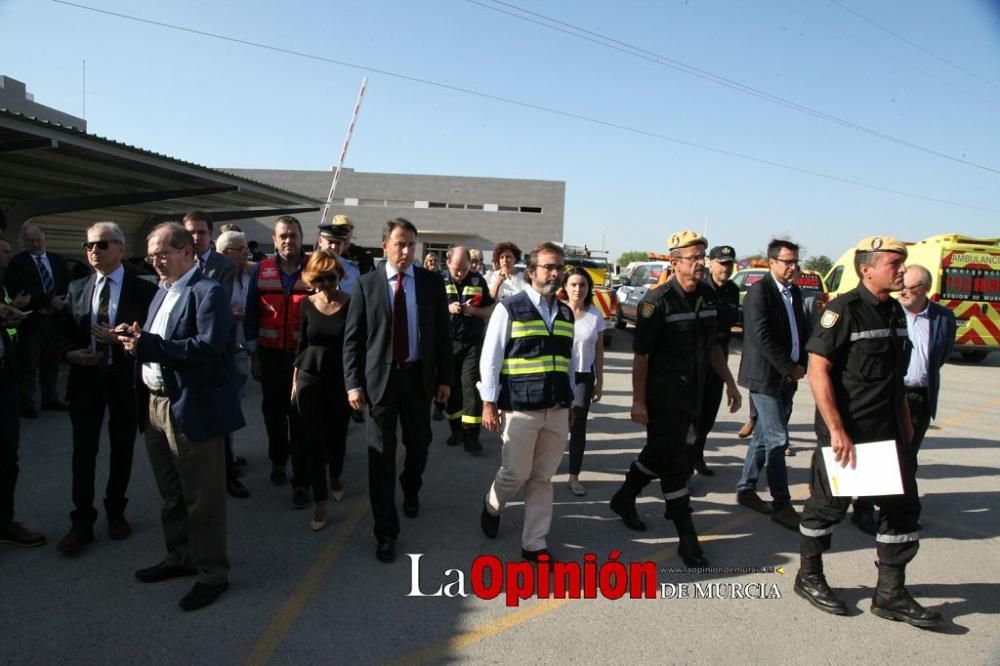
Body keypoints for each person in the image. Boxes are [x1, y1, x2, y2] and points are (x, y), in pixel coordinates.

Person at [795, 236, 942, 627]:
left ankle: (890, 594)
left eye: (903, 263)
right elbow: (817, 370)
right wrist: (837, 429)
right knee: (827, 510)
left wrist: (906, 422)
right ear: (867, 269)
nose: (902, 270)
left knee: (902, 509)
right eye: (894, 263)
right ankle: (809, 576)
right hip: (848, 434)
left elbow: (894, 377)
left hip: (888, 432)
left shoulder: (894, 312)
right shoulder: (843, 311)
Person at [119, 222, 244, 612]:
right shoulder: (163, 292)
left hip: (190, 407)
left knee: (201, 496)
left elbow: (207, 347)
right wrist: (133, 342)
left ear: (187, 252)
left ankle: (212, 574)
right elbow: (159, 342)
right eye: (150, 255)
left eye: (162, 253)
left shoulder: (208, 292)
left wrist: (150, 345)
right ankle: (180, 556)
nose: (155, 261)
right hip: (156, 404)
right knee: (171, 492)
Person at [608, 231, 740, 568]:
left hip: (695, 394)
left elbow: (713, 347)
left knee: (660, 455)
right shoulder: (656, 301)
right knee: (677, 463)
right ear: (674, 262)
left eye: (702, 257)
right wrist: (638, 401)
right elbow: (641, 356)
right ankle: (687, 537)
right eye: (693, 258)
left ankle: (624, 497)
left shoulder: (708, 298)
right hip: (663, 397)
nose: (699, 263)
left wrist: (730, 383)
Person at [343, 218, 452, 563]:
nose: (406, 250)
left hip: (418, 379)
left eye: (411, 244)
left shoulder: (431, 283)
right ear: (385, 246)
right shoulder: (366, 285)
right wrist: (353, 383)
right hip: (380, 383)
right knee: (380, 456)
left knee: (419, 445)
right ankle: (386, 531)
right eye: (400, 243)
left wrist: (445, 379)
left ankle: (411, 484)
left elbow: (442, 337)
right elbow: (353, 340)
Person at [55, 222, 157, 555]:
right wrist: (70, 352)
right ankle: (81, 520)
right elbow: (63, 333)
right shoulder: (78, 287)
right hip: (85, 381)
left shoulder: (143, 290)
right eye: (88, 246)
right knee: (83, 452)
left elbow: (155, 336)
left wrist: (123, 340)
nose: (93, 252)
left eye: (101, 245)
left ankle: (116, 511)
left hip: (123, 380)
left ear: (121, 249)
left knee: (121, 447)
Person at [478, 242, 575, 561]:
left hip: (557, 408)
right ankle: (493, 503)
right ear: (531, 272)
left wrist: (570, 402)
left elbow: (568, 362)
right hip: (520, 408)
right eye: (549, 267)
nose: (555, 272)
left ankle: (535, 543)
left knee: (542, 478)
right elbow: (491, 357)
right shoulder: (510, 307)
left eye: (559, 267)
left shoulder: (565, 312)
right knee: (516, 473)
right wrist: (489, 402)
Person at [733, 240, 808, 531]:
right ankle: (781, 503)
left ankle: (746, 488)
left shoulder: (795, 293)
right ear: (771, 262)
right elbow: (761, 336)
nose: (792, 267)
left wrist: (800, 364)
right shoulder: (758, 292)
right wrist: (790, 367)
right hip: (765, 378)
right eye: (787, 261)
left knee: (763, 438)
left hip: (787, 378)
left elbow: (799, 332)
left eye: (795, 262)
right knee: (778, 439)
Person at [244, 216, 311, 507]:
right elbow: (250, 315)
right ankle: (278, 461)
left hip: (304, 359)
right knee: (273, 415)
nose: (288, 240)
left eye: (293, 235)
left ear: (301, 237)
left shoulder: (314, 269)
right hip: (270, 357)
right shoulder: (260, 270)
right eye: (283, 236)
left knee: (301, 419)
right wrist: (254, 355)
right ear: (274, 239)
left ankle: (301, 480)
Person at [292, 251, 351, 531]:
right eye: (320, 279)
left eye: (331, 278)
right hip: (309, 378)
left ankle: (336, 473)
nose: (327, 285)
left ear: (339, 276)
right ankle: (320, 500)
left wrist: (356, 385)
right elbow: (302, 344)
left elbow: (356, 348)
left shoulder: (351, 304)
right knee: (312, 441)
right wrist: (294, 382)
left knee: (337, 435)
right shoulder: (305, 304)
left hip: (340, 379)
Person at [0, 237, 45, 548]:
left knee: (6, 456)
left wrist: (8, 314)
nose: (9, 255)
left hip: (4, 377)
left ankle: (4, 522)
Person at [5, 223, 71, 417]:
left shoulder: (57, 260)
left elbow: (68, 282)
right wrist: (47, 299)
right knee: (29, 363)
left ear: (44, 237)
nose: (35, 244)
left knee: (51, 361)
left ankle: (50, 398)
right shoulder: (17, 263)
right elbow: (19, 287)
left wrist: (61, 300)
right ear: (23, 242)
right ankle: (27, 403)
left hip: (55, 318)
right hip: (32, 319)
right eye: (30, 241)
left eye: (38, 239)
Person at [689, 245, 739, 477]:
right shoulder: (699, 288)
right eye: (721, 263)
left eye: (729, 264)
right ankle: (685, 465)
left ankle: (697, 456)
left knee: (708, 414)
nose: (725, 268)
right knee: (692, 415)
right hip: (697, 359)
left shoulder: (733, 291)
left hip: (719, 357)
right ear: (711, 263)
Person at [897, 265, 956, 453]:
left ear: (925, 288)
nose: (903, 291)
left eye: (909, 287)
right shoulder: (889, 312)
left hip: (921, 398)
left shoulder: (944, 318)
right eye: (901, 286)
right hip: (892, 394)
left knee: (910, 453)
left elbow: (942, 355)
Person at [442, 245, 494, 454]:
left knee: (470, 387)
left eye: (464, 268)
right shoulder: (439, 281)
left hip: (472, 343)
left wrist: (473, 310)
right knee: (450, 387)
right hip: (448, 342)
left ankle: (472, 436)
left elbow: (489, 310)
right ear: (447, 263)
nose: (460, 273)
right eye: (456, 269)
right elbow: (430, 308)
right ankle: (456, 430)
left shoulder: (477, 281)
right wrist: (448, 308)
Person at [216, 230, 254, 499]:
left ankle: (228, 456)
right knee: (225, 411)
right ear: (224, 253)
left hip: (242, 352)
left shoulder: (248, 275)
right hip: (224, 355)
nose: (246, 254)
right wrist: (232, 314)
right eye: (240, 249)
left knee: (233, 408)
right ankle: (224, 467)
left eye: (245, 250)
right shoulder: (218, 278)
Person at [561, 267, 604, 496]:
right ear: (565, 287)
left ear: (589, 288)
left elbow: (599, 351)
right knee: (554, 424)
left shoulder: (595, 315)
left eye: (583, 285)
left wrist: (599, 381)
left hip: (582, 377)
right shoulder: (556, 311)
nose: (578, 289)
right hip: (557, 375)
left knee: (577, 424)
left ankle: (573, 476)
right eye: (574, 284)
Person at [315, 220, 361, 295]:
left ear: (343, 245)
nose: (334, 247)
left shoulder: (353, 271)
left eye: (338, 243)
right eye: (330, 242)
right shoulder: (309, 266)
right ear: (320, 241)